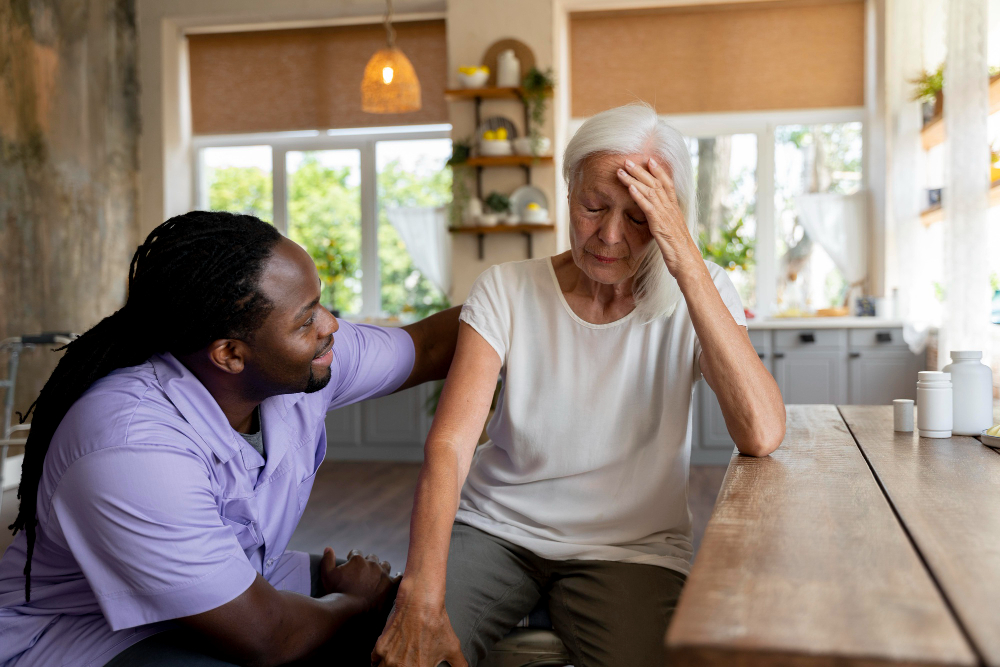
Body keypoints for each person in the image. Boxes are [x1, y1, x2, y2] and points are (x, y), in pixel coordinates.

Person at [372, 104, 786, 667]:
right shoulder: (506, 288)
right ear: (568, 192)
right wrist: (420, 594)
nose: (610, 236)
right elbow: (450, 444)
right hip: (498, 528)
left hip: (631, 550)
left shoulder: (701, 292)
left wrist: (683, 254)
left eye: (640, 217)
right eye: (593, 207)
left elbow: (761, 432)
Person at [0, 211, 461, 667]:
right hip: (81, 635)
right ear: (231, 355)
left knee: (412, 617)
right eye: (306, 321)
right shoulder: (132, 448)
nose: (331, 325)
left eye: (321, 304)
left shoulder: (298, 360)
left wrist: (523, 299)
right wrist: (353, 602)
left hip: (238, 585)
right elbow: (266, 638)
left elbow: (431, 346)